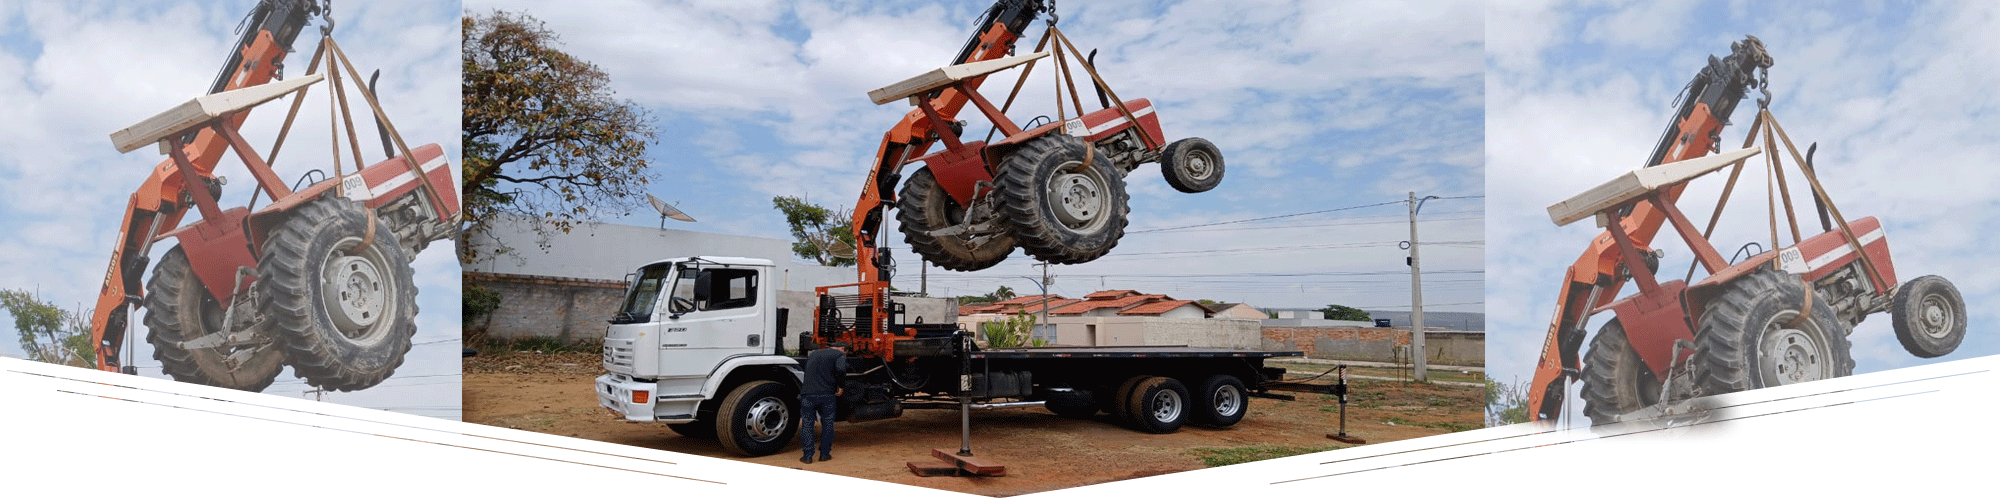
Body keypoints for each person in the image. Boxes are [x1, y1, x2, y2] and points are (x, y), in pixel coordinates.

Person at [799, 341, 848, 464]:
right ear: (842, 348)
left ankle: (807, 456)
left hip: (807, 394)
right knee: (827, 424)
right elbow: (841, 369)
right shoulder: (839, 355)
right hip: (826, 395)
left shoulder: (814, 353)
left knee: (807, 425)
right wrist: (841, 386)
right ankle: (824, 455)